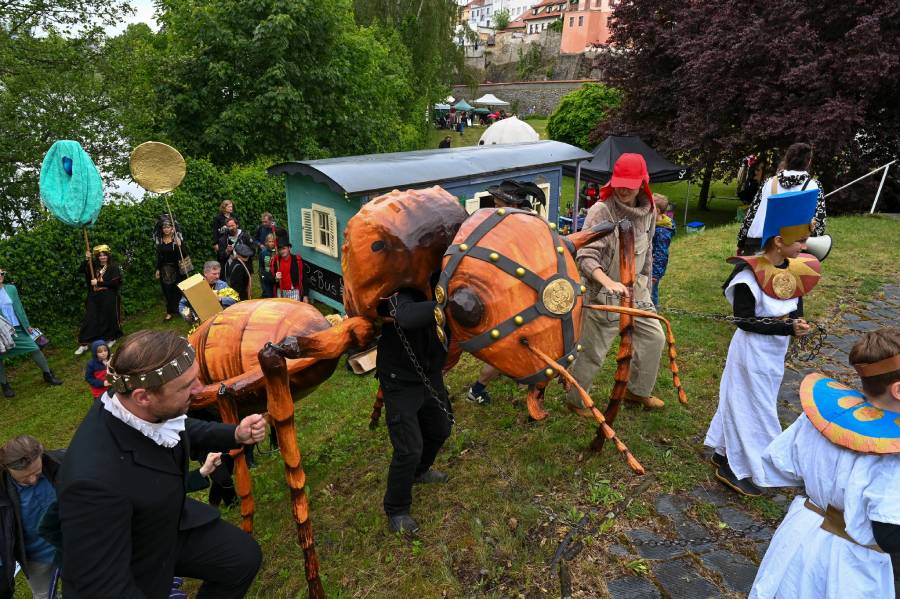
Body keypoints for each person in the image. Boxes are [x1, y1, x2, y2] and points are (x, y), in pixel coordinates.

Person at [56, 330, 265, 599]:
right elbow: (102, 587)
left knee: (242, 558)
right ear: (144, 396)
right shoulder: (92, 484)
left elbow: (177, 427)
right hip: (136, 560)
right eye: (186, 386)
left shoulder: (136, 404)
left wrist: (235, 434)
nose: (199, 388)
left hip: (166, 521)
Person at [748, 328, 900, 598]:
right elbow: (889, 533)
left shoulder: (819, 420)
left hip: (799, 535)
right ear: (898, 389)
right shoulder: (893, 455)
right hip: (851, 564)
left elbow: (780, 465)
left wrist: (826, 486)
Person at [705, 189, 820, 496]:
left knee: (759, 401)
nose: (805, 245)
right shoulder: (748, 274)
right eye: (799, 240)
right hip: (749, 353)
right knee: (749, 405)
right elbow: (744, 320)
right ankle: (738, 464)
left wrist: (799, 323)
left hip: (772, 355)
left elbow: (794, 304)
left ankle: (724, 450)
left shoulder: (797, 269)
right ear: (779, 241)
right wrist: (786, 329)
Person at [566, 154, 666, 413]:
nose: (623, 189)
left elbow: (649, 247)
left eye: (629, 183)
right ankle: (577, 400)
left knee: (655, 338)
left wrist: (646, 279)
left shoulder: (650, 210)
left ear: (642, 182)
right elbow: (585, 256)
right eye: (619, 182)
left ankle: (638, 390)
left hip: (638, 291)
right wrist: (607, 281)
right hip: (603, 292)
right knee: (593, 352)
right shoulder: (602, 210)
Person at [376, 281, 453, 534]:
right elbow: (406, 316)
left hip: (430, 374)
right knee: (409, 448)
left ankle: (420, 472)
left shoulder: (444, 280)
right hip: (400, 379)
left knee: (441, 428)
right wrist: (448, 305)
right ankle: (396, 509)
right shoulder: (401, 283)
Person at [466, 180, 547, 406]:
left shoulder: (520, 222)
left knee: (520, 340)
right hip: (512, 291)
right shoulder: (518, 220)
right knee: (510, 343)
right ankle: (478, 388)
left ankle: (522, 380)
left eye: (498, 199)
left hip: (525, 289)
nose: (494, 202)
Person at [0, 435, 63, 599]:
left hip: (71, 545)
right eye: (24, 477)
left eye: (36, 472)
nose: (33, 479)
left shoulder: (61, 463)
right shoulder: (2, 492)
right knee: (45, 595)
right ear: (7, 468)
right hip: (36, 558)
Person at [736, 142, 826, 256]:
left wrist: (741, 242)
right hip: (790, 247)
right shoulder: (815, 186)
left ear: (787, 159)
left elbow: (751, 214)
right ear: (808, 162)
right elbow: (819, 223)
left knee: (751, 274)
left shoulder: (769, 182)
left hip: (756, 242)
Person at [0, 269, 62, 398]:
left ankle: (48, 375)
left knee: (34, 348)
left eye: (1, 274)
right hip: (1, 332)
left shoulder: (11, 288)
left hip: (17, 328)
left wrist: (27, 325)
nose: (0, 276)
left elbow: (19, 307)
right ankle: (5, 385)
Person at [75, 245, 123, 355]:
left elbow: (115, 283)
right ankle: (84, 344)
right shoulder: (93, 267)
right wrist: (86, 259)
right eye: (100, 256)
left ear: (108, 256)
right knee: (90, 318)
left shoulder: (113, 268)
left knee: (108, 318)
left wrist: (99, 283)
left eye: (104, 255)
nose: (102, 257)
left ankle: (111, 338)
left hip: (109, 295)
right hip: (94, 296)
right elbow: (81, 270)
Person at [154, 216, 188, 321]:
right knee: (167, 291)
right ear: (162, 229)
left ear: (172, 228)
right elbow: (160, 257)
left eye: (168, 227)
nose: (166, 229)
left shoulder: (176, 240)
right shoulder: (160, 241)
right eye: (164, 228)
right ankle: (169, 312)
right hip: (165, 270)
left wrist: (180, 245)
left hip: (177, 269)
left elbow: (185, 254)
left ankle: (180, 309)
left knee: (178, 290)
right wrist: (158, 269)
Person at [650, 193, 675, 308]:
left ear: (658, 210)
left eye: (650, 207)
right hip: (650, 263)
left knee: (651, 290)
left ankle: (653, 309)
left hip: (654, 267)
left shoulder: (662, 231)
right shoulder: (656, 224)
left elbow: (661, 253)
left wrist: (655, 273)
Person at [258, 234, 277, 299]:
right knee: (268, 293)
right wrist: (262, 275)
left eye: (273, 241)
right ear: (266, 242)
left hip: (275, 276)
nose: (272, 243)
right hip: (266, 275)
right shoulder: (263, 253)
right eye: (270, 241)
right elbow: (261, 266)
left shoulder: (277, 252)